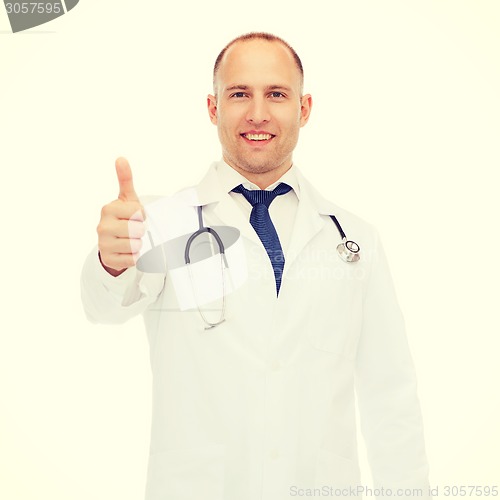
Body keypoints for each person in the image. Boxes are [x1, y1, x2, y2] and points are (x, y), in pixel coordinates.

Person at [81, 32, 431, 500]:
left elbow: (391, 397)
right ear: (213, 107)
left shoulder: (355, 240)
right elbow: (105, 306)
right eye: (240, 93)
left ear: (304, 109)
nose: (258, 113)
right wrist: (111, 261)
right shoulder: (163, 223)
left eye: (277, 94)